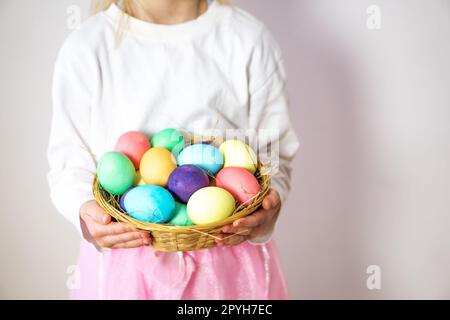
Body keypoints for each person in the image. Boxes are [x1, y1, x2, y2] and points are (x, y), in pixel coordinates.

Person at [47, 0, 299, 299]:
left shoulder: (247, 39)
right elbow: (67, 161)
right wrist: (87, 213)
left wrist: (270, 206)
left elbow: (274, 151)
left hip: (228, 258)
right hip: (126, 261)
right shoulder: (88, 47)